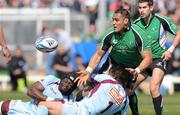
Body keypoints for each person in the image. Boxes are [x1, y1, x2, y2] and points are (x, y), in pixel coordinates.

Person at [75, 8, 152, 115]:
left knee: (127, 92)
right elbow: (98, 55)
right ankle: (75, 108)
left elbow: (148, 58)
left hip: (133, 68)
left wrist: (137, 70)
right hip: (113, 64)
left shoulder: (138, 35)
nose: (113, 23)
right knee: (90, 87)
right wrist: (88, 71)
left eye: (116, 20)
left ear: (125, 21)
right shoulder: (110, 34)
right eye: (113, 20)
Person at [133, 0, 180, 115]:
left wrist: (170, 50)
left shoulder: (161, 20)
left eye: (144, 7)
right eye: (140, 8)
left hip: (159, 59)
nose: (141, 10)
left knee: (153, 88)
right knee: (128, 90)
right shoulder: (136, 24)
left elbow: (179, 33)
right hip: (144, 61)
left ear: (151, 8)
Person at [37, 65, 134, 115]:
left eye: (109, 71)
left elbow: (86, 76)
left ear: (114, 74)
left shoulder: (108, 80)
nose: (107, 72)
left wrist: (84, 72)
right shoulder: (125, 101)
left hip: (79, 110)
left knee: (43, 105)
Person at [0, 73, 77, 115]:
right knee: (5, 105)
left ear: (72, 89)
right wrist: (50, 100)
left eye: (70, 85)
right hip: (29, 107)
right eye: (66, 81)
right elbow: (30, 91)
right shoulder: (52, 80)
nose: (66, 85)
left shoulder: (70, 100)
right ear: (62, 79)